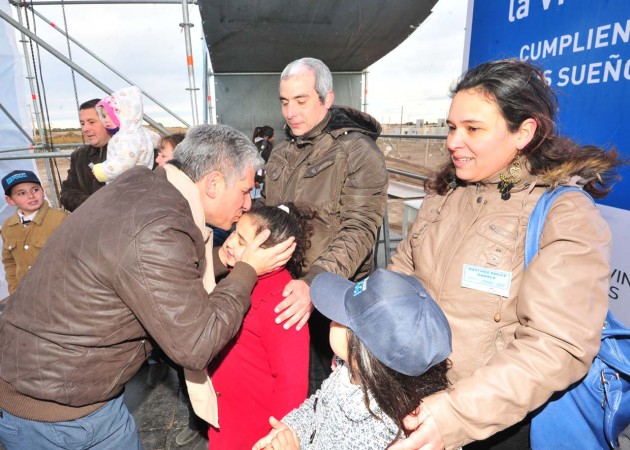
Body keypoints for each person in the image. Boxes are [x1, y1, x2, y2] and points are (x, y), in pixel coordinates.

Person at [0, 124, 296, 450]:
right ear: (213, 183)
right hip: (54, 416)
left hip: (82, 395)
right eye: (244, 191)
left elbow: (150, 267)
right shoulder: (159, 225)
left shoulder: (145, 186)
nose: (247, 204)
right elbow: (196, 345)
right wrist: (247, 269)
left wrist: (226, 258)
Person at [386, 59, 620, 450]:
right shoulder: (443, 194)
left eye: (472, 129)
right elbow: (400, 279)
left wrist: (455, 415)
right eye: (451, 127)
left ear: (523, 132)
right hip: (414, 402)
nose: (452, 141)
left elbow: (555, 345)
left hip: (493, 428)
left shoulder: (564, 214)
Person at [260, 57, 388, 393]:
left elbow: (359, 229)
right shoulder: (282, 154)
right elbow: (270, 215)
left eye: (301, 101)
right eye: (285, 102)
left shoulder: (358, 152)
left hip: (333, 299)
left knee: (327, 392)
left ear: (326, 99)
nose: (290, 112)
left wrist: (314, 284)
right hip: (286, 291)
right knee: (290, 388)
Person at [253, 269, 451, 450]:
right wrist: (291, 430)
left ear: (362, 353)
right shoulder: (347, 370)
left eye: (341, 317)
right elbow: (318, 406)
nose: (332, 318)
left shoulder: (382, 430)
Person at [208, 203, 312, 449]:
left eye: (242, 241)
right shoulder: (237, 279)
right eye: (234, 232)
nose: (230, 243)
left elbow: (292, 384)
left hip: (255, 432)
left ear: (273, 253)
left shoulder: (283, 303)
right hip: (226, 418)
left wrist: (277, 437)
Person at [1, 170, 67, 294]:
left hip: (59, 293)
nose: (31, 196)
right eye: (21, 193)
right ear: (10, 200)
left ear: (42, 191)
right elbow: (9, 261)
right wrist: (15, 291)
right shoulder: (8, 227)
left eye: (35, 190)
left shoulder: (61, 219)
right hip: (26, 295)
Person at [91, 86, 161, 183]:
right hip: (143, 180)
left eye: (110, 115)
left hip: (126, 184)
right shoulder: (143, 131)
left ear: (125, 114)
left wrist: (101, 170)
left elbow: (123, 163)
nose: (105, 120)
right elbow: (159, 140)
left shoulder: (126, 138)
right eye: (103, 116)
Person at [60, 98, 111, 211]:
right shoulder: (79, 156)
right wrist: (93, 205)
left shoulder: (129, 153)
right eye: (82, 123)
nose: (85, 129)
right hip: (89, 224)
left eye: (91, 122)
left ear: (108, 121)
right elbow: (67, 193)